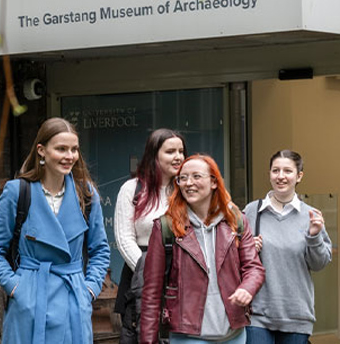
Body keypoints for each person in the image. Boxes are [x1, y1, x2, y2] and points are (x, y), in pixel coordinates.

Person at [0, 117, 110, 344]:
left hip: (73, 300)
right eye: (61, 149)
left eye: (74, 149)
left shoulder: (86, 195)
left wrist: (88, 290)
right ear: (41, 150)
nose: (69, 156)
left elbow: (100, 250)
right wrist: (17, 288)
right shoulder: (17, 192)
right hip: (30, 301)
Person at [140, 154, 266, 344]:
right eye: (182, 178)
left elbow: (254, 267)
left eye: (196, 176)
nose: (188, 183)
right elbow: (151, 292)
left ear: (214, 182)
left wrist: (247, 288)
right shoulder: (166, 227)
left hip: (234, 335)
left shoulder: (236, 221)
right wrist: (148, 341)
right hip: (188, 337)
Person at [244, 150, 332, 344]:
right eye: (275, 170)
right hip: (257, 313)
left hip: (297, 315)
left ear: (299, 176)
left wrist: (314, 236)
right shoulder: (252, 211)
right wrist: (248, 248)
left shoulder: (311, 215)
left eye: (287, 171)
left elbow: (319, 264)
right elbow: (233, 256)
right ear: (269, 174)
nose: (280, 176)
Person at [113, 128, 186, 343]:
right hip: (141, 272)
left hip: (182, 276)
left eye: (181, 151)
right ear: (154, 155)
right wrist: (151, 272)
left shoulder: (187, 188)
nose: (178, 157)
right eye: (170, 151)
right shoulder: (132, 189)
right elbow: (124, 239)